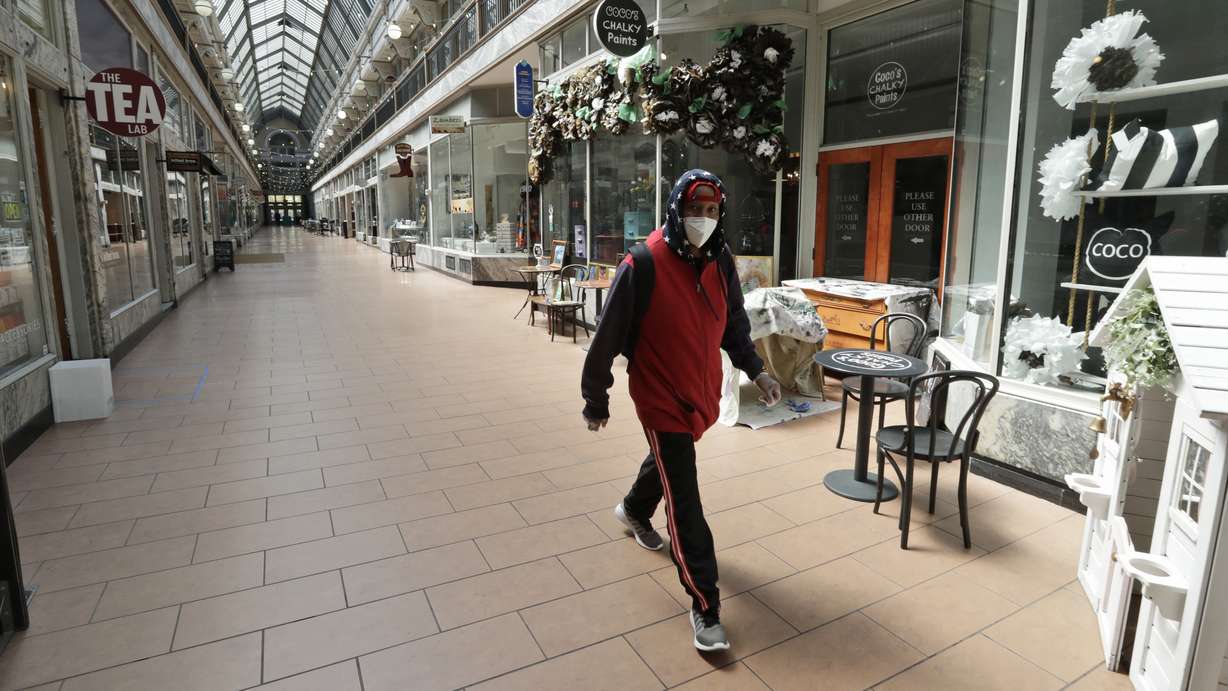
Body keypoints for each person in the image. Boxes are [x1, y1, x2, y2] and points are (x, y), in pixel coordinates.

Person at [581, 169, 782, 652]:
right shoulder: (643, 263)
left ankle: (632, 508)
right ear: (676, 209)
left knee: (670, 467)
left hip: (700, 392)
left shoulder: (721, 260)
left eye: (712, 211)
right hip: (659, 394)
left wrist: (757, 370)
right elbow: (607, 337)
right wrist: (596, 397)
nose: (703, 219)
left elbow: (733, 321)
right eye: (695, 210)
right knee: (686, 499)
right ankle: (705, 605)